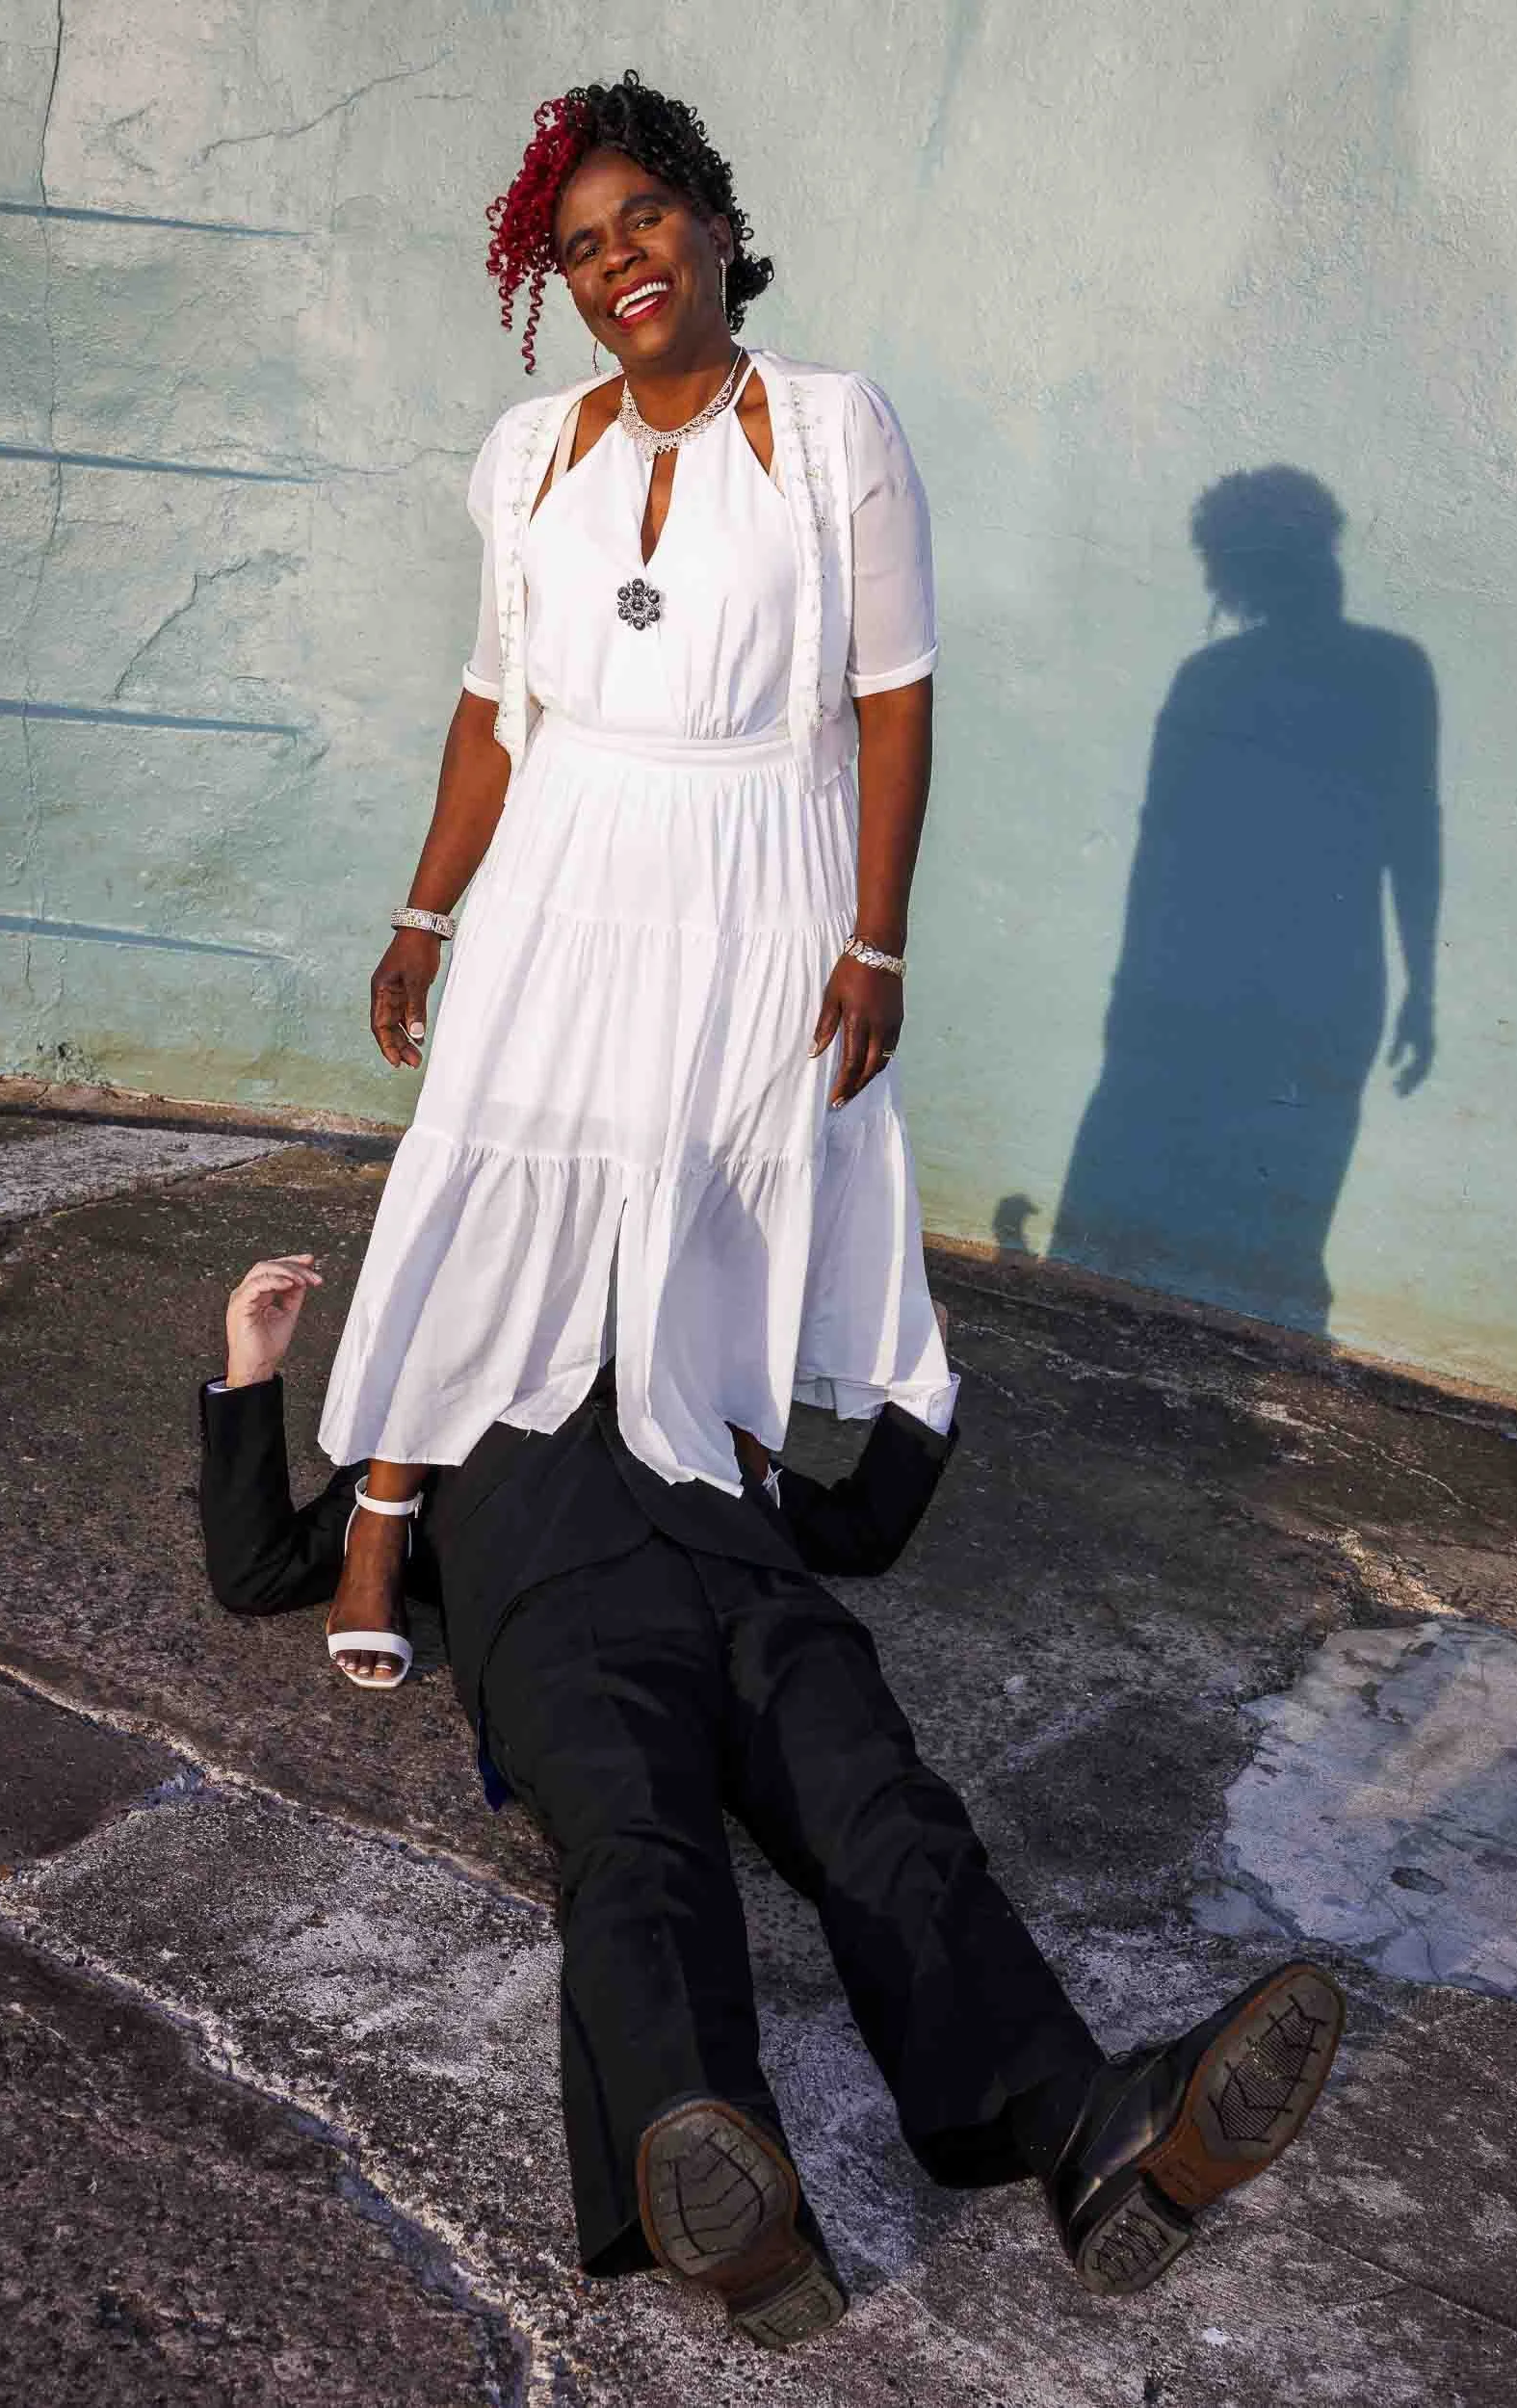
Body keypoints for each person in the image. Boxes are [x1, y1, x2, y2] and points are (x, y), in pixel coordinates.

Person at [202, 1253, 1346, 2352]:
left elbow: (858, 1531)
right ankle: (722, 2185)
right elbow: (259, 1570)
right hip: (568, 1629)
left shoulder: (695, 1410)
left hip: (765, 1610)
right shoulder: (424, 1437)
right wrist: (252, 1368)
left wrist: (921, 1378)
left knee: (894, 1825)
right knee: (641, 1850)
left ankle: (1079, 2126)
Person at [314, 70, 956, 1688]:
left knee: (735, 1183)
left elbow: (893, 700)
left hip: (762, 860)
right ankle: (383, 1509)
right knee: (491, 1156)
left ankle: (724, 1524)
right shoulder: (531, 451)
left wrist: (875, 943)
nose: (619, 263)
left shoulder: (834, 429)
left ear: (716, 226)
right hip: (563, 859)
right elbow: (493, 703)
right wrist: (422, 915)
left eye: (644, 218)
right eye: (582, 249)